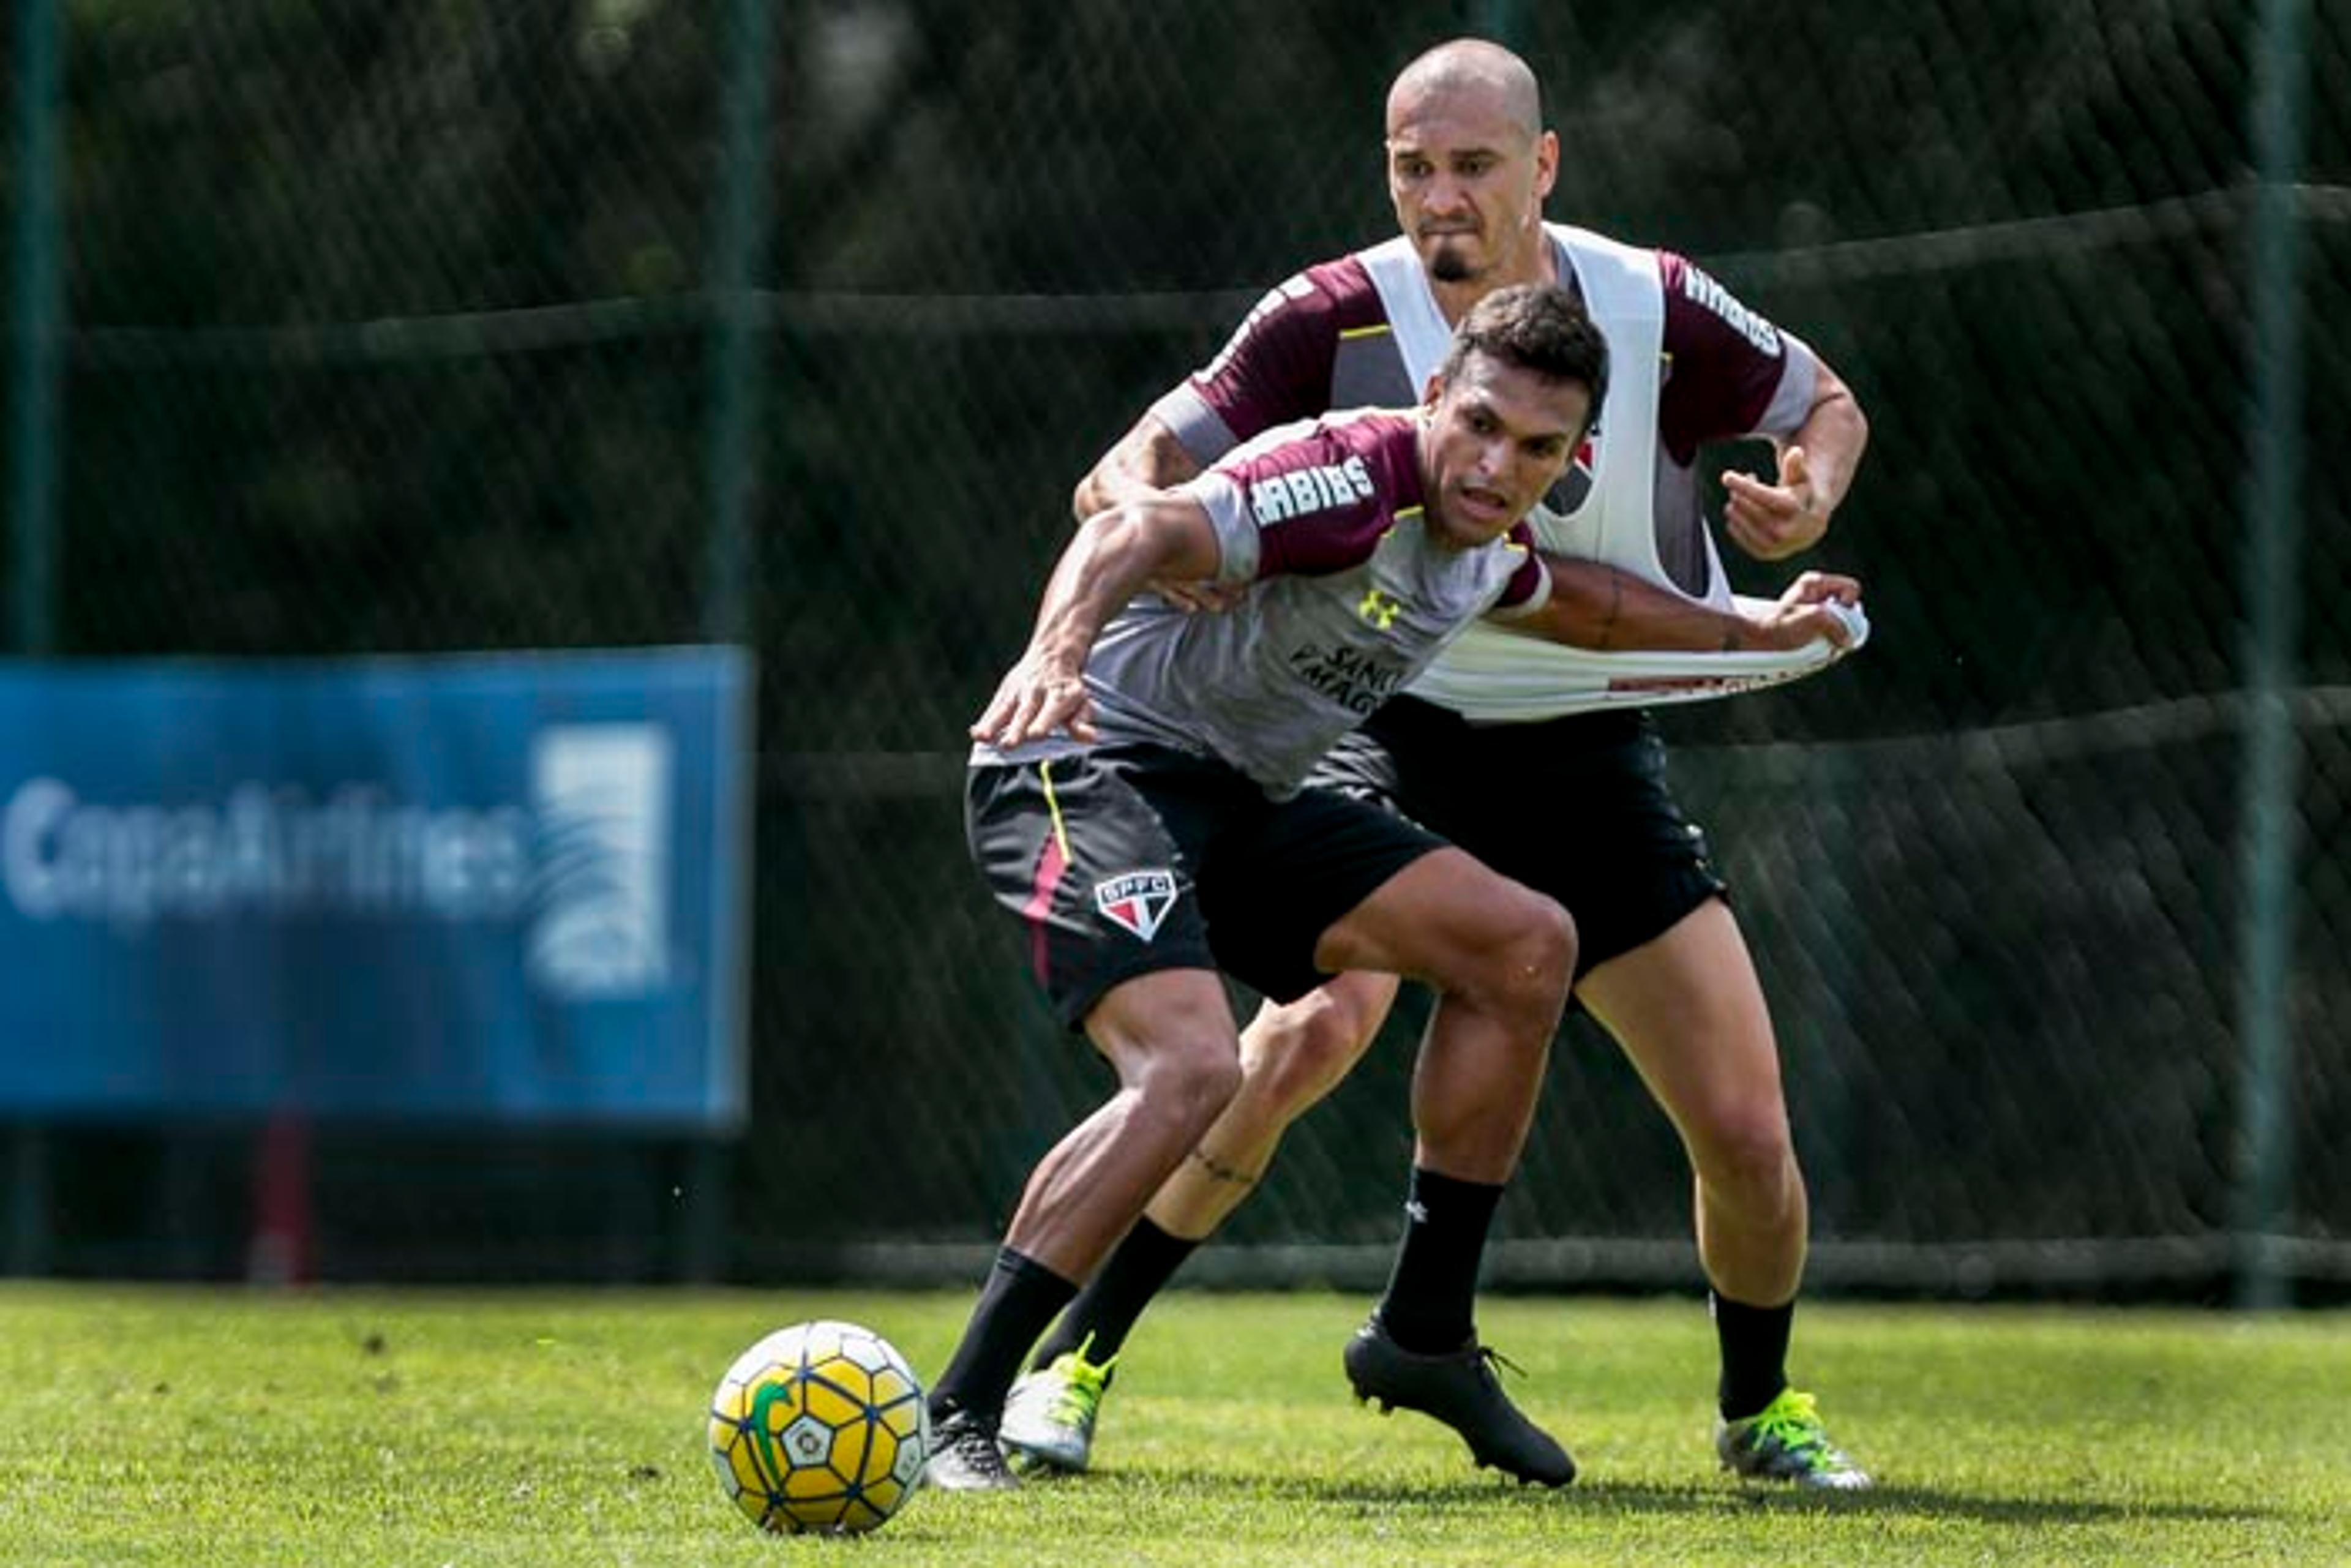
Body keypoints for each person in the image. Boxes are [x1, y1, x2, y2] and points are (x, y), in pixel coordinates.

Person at [998, 37, 1877, 1491]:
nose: (1442, 198)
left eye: (1475, 166)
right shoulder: (1332, 316)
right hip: (1377, 729)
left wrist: (1808, 497)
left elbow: (1822, 403)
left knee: (1741, 1120)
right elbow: (1125, 473)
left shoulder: (1651, 302)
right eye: (1415, 168)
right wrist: (1158, 526)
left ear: (1543, 166)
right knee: (1303, 1039)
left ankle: (1760, 1414)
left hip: (1584, 748)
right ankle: (1076, 1362)